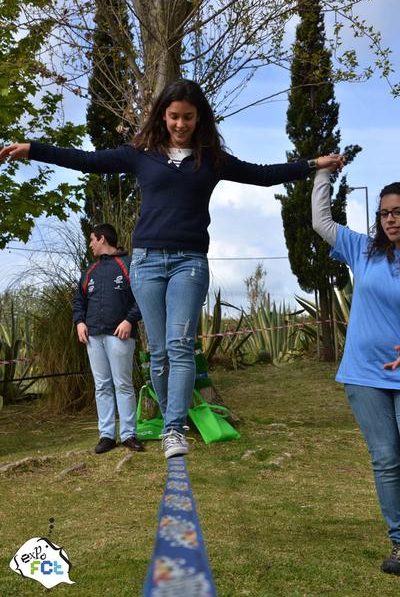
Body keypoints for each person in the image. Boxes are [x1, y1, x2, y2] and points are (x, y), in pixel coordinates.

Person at [0, 78, 342, 459]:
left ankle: (174, 429)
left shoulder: (211, 160)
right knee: (159, 352)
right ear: (164, 115)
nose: (180, 124)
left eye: (189, 118)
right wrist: (33, 150)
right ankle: (169, 421)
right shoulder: (141, 154)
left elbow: (262, 174)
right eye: (175, 116)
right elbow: (87, 161)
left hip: (189, 263)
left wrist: (312, 164)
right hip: (146, 262)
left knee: (180, 346)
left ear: (200, 119)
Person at [312, 168, 400, 576]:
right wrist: (322, 174)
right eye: (384, 213)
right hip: (365, 374)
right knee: (385, 458)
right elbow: (321, 222)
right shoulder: (364, 251)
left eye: (397, 212)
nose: (390, 219)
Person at [73, 223, 144, 454]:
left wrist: (129, 320)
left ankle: (129, 434)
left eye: (92, 240)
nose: (90, 244)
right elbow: (79, 301)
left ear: (102, 239)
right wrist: (80, 322)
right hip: (93, 337)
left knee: (122, 384)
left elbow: (143, 296)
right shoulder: (89, 271)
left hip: (120, 334)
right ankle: (106, 435)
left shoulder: (129, 264)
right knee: (102, 386)